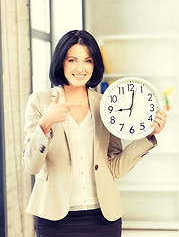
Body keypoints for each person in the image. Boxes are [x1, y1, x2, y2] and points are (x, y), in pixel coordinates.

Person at [23, 30, 167, 237]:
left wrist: (146, 137)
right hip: (54, 218)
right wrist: (45, 125)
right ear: (61, 62)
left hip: (102, 218)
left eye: (88, 61)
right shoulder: (39, 101)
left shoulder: (106, 104)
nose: (80, 68)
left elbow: (115, 167)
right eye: (72, 60)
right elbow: (31, 165)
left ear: (94, 65)